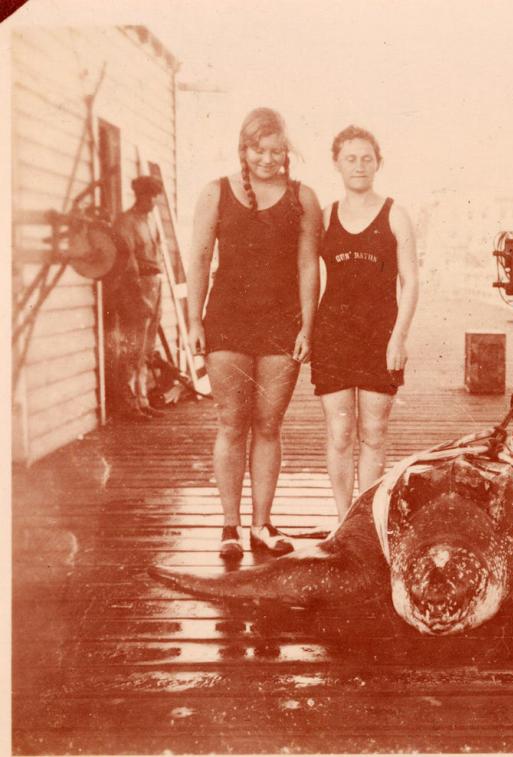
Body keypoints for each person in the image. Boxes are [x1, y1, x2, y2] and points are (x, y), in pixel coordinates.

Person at [187, 107, 321, 560]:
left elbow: (308, 265)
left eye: (276, 150)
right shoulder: (215, 193)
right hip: (226, 322)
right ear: (243, 150)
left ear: (287, 151)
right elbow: (200, 261)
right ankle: (229, 527)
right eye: (258, 150)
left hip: (282, 323)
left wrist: (308, 324)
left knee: (268, 424)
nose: (267, 159)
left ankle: (262, 525)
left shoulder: (303, 198)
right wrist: (192, 321)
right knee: (231, 422)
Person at [310, 126, 419, 519]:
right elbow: (306, 275)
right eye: (350, 158)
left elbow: (410, 281)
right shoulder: (324, 216)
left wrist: (398, 338)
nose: (359, 166)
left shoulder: (395, 215)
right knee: (339, 433)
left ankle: (366, 520)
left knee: (373, 432)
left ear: (379, 163)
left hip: (380, 335)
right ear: (336, 164)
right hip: (334, 333)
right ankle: (343, 520)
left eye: (366, 158)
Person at [111, 175, 165, 419]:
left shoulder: (150, 220)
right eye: (152, 196)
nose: (155, 201)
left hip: (154, 284)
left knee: (146, 348)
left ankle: (142, 400)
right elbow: (128, 262)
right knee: (133, 347)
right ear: (141, 196)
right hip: (137, 287)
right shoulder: (126, 222)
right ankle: (128, 404)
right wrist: (138, 297)